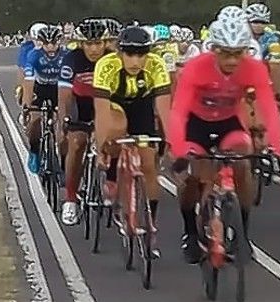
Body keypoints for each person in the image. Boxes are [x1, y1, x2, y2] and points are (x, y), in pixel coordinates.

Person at [168, 12, 280, 264]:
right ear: (214, 49)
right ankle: (190, 230)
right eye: (226, 53)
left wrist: (276, 149)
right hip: (195, 124)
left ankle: (243, 233)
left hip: (228, 124)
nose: (232, 60)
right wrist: (178, 151)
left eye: (238, 53)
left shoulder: (253, 68)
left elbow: (269, 108)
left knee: (243, 159)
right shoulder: (196, 68)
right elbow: (178, 112)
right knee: (192, 178)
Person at [93, 25, 171, 239]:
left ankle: (150, 221)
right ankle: (112, 173)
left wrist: (170, 140)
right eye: (129, 54)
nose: (136, 61)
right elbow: (101, 112)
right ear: (119, 53)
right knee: (116, 129)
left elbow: (164, 108)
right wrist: (101, 148)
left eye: (141, 55)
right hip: (114, 104)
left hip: (141, 105)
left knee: (148, 163)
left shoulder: (157, 65)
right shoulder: (106, 65)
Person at [58, 18, 115, 226]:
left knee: (115, 140)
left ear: (105, 43)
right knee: (77, 143)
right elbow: (64, 95)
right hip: (80, 105)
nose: (93, 49)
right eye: (89, 44)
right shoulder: (71, 60)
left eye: (98, 43)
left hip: (106, 105)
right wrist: (62, 122)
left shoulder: (113, 59)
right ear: (81, 44)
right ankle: (71, 199)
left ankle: (112, 185)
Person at [24, 25, 66, 174]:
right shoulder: (33, 55)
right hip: (39, 88)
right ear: (41, 43)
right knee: (35, 121)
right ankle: (34, 151)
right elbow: (28, 82)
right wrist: (27, 107)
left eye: (53, 43)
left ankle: (64, 162)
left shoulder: (66, 55)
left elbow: (69, 85)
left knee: (63, 126)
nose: (50, 47)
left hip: (58, 88)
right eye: (46, 43)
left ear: (59, 42)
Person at [17, 23, 47, 109]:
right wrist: (21, 87)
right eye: (36, 40)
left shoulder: (53, 47)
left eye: (42, 40)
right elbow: (22, 69)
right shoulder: (27, 48)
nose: (39, 42)